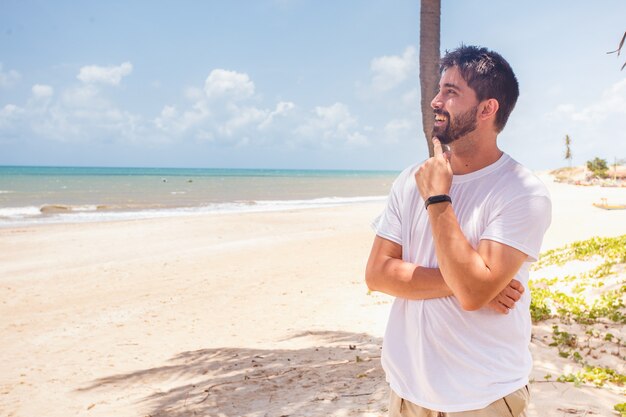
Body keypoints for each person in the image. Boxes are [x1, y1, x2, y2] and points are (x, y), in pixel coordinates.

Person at [365, 45, 552, 416]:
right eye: (439, 89)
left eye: (451, 92)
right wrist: (472, 281)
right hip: (407, 395)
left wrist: (438, 199)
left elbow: (471, 293)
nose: (436, 100)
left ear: (487, 109)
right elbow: (377, 274)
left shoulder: (521, 191)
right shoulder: (410, 179)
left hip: (483, 400)